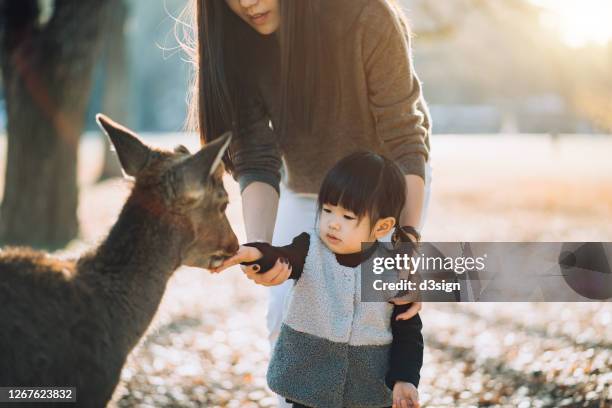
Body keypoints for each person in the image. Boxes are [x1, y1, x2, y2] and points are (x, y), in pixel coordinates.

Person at [190, 0, 432, 405]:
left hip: (387, 188)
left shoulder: (365, 16)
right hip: (308, 192)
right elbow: (255, 159)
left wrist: (405, 253)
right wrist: (261, 248)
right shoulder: (237, 41)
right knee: (284, 312)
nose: (247, 2)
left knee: (377, 312)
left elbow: (406, 141)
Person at [229, 152, 424, 408]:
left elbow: (408, 333)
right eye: (328, 210)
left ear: (381, 227)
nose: (332, 223)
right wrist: (257, 253)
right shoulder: (308, 249)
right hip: (308, 386)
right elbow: (282, 257)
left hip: (368, 391)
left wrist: (405, 379)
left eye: (347, 217)